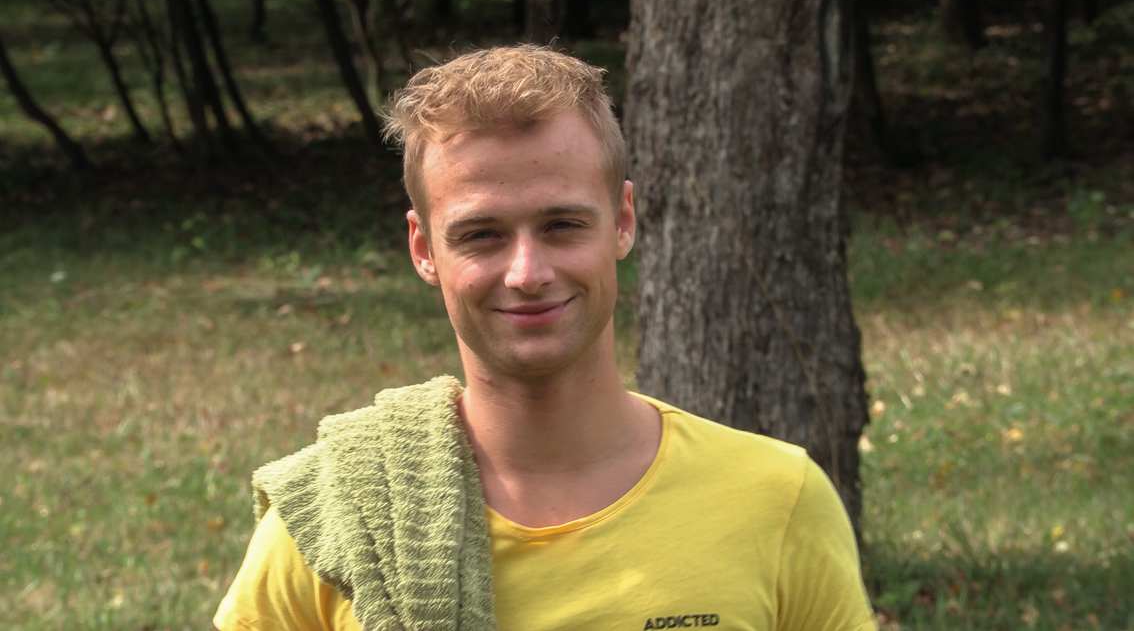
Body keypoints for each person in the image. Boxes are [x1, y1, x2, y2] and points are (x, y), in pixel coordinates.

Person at [213, 45, 876, 631]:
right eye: (481, 235)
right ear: (423, 249)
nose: (527, 273)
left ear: (622, 221)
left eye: (562, 225)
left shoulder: (777, 499)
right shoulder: (339, 518)